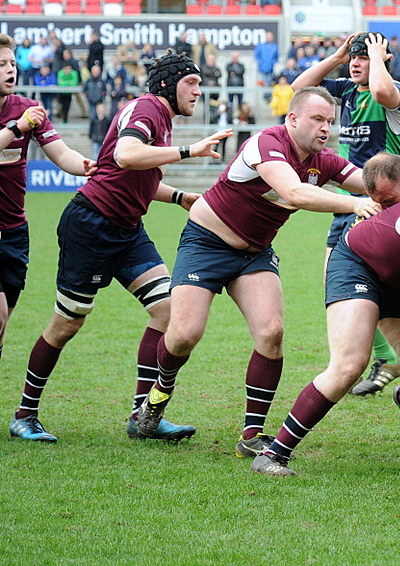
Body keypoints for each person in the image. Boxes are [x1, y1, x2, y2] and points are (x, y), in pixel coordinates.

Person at [136, 87, 375, 455]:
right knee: (183, 335)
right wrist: (355, 204)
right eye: (317, 119)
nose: (326, 128)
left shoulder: (324, 161)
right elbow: (294, 193)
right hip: (205, 243)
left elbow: (371, 183)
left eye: (330, 121)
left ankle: (251, 435)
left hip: (255, 254)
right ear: (292, 119)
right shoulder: (267, 143)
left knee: (271, 333)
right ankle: (159, 392)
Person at [9, 51, 231, 443]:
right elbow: (126, 156)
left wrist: (179, 197)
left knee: (167, 309)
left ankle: (142, 415)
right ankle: (24, 414)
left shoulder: (160, 117)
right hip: (91, 226)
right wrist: (189, 151)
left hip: (127, 229)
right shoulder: (147, 109)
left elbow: (134, 176)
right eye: (191, 83)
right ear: (168, 84)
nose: (198, 91)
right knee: (66, 323)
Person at [251, 154, 400, 476]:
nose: (382, 208)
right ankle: (274, 454)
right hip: (357, 265)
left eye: (388, 201)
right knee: (349, 365)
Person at [293, 32, 400, 396]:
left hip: (380, 203)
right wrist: (337, 57)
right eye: (354, 57)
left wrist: (377, 57)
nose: (357, 63)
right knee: (335, 281)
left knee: (371, 287)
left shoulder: (395, 93)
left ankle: (386, 358)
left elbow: (381, 91)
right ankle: (386, 357)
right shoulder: (346, 90)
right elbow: (299, 89)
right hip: (347, 201)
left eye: (364, 57)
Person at [0, 33, 96, 365]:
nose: (10, 69)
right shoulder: (21, 120)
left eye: (12, 63)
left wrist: (87, 167)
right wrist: (16, 128)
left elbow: (62, 154)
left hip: (15, 231)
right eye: (1, 64)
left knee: (3, 324)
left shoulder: (27, 110)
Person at [254, 32, 278, 100]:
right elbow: (257, 56)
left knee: (270, 83)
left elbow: (276, 57)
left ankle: (268, 95)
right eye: (268, 37)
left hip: (270, 69)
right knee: (263, 83)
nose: (269, 38)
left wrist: (272, 63)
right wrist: (261, 63)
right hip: (261, 69)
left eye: (270, 37)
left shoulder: (275, 47)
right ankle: (265, 95)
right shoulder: (260, 46)